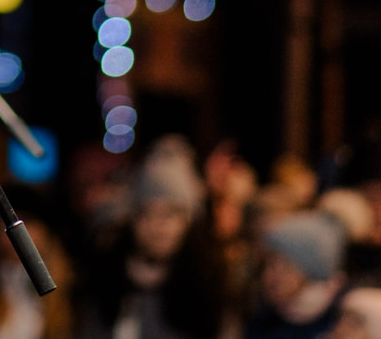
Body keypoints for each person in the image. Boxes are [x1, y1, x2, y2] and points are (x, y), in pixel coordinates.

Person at [77, 137, 221, 339]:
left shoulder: (205, 288)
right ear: (133, 219)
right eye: (147, 212)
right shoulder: (106, 285)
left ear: (188, 220)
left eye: (170, 213)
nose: (158, 224)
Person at [245, 211, 349, 339]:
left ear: (311, 274)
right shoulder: (263, 320)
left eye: (285, 268)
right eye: (268, 265)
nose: (268, 277)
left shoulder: (340, 322)